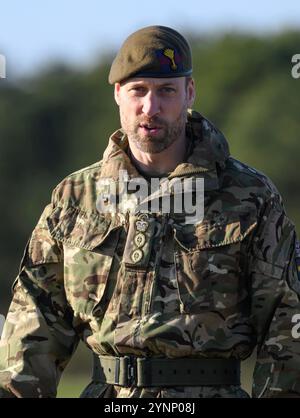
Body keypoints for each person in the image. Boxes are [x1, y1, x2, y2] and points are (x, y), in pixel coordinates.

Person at [0, 25, 300, 399]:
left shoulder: (248, 196)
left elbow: (287, 322)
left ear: (189, 93)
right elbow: (34, 323)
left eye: (166, 91)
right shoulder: (76, 198)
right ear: (117, 94)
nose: (150, 107)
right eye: (138, 90)